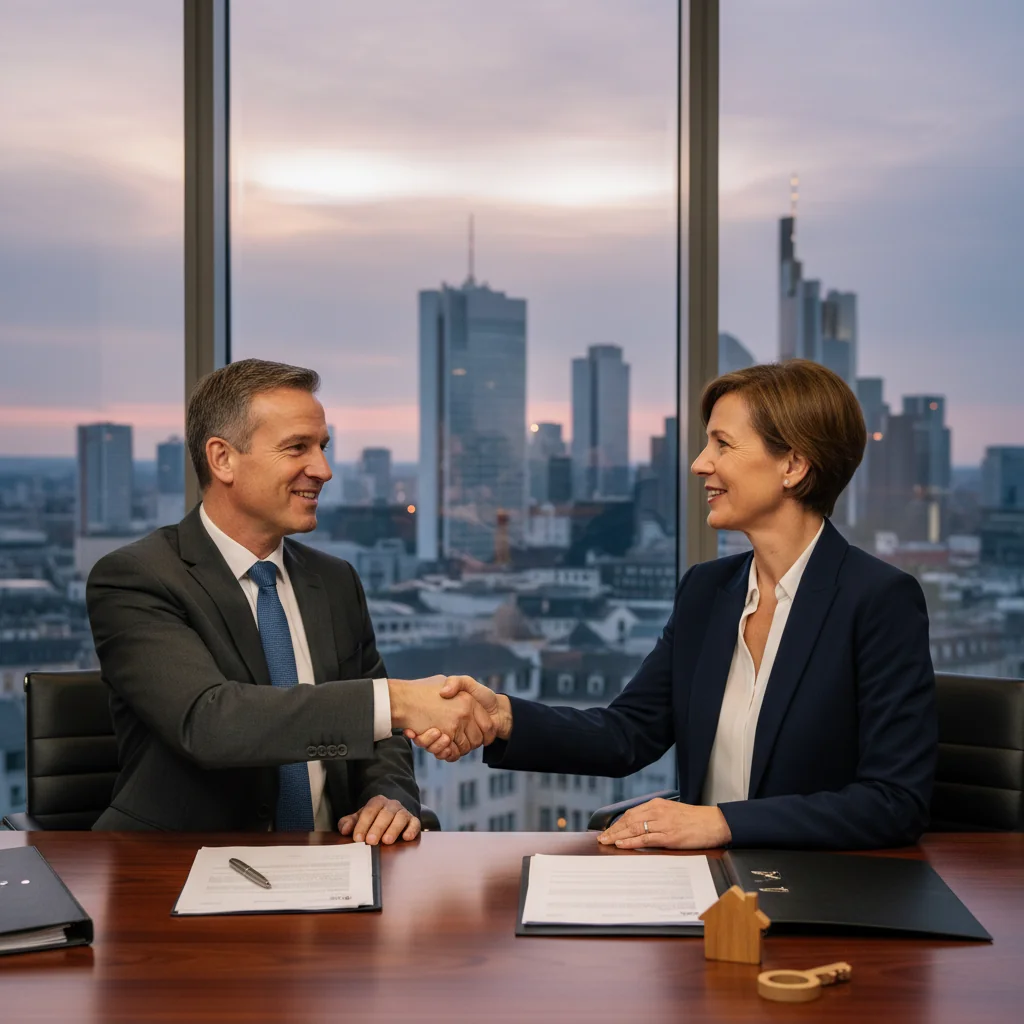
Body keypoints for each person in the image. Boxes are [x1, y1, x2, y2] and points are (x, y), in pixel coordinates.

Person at [411, 360, 938, 850]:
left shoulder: (878, 601)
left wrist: (719, 821)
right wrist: (502, 715)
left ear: (794, 466)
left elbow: (894, 802)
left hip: (819, 893)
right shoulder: (707, 592)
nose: (699, 463)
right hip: (706, 887)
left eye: (723, 444)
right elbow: (626, 735)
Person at [87, 358, 494, 838]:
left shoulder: (335, 580)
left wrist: (388, 796)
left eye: (322, 447)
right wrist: (400, 700)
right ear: (222, 459)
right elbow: (209, 722)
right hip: (177, 874)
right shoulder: (137, 577)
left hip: (335, 868)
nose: (322, 469)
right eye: (297, 447)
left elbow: (381, 737)